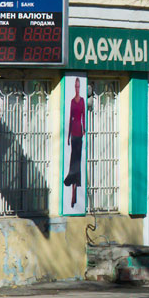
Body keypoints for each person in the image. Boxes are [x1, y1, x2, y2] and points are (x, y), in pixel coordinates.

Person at [64, 78, 86, 209]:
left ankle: (75, 186)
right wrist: (67, 136)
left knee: (78, 158)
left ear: (80, 87)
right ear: (74, 87)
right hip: (73, 132)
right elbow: (70, 118)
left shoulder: (82, 100)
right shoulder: (72, 101)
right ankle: (72, 180)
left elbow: (83, 115)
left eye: (78, 86)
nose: (77, 88)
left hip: (80, 132)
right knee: (73, 157)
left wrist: (84, 128)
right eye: (75, 86)